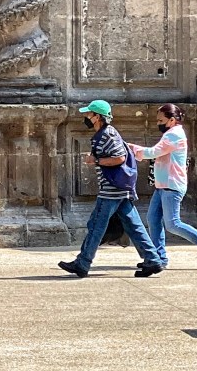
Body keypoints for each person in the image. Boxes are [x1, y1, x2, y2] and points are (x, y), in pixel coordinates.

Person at [58, 99, 165, 278]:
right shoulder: (104, 133)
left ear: (97, 117)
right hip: (119, 189)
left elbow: (119, 158)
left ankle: (83, 263)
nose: (86, 117)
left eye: (89, 114)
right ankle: (152, 259)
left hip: (111, 190)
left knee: (96, 226)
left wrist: (97, 161)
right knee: (134, 225)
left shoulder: (107, 134)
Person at [126, 104, 197, 270]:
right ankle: (158, 258)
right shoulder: (170, 133)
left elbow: (153, 152)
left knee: (172, 224)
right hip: (163, 185)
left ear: (172, 120)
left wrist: (133, 148)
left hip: (172, 185)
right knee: (153, 219)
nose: (158, 123)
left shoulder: (174, 135)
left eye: (161, 120)